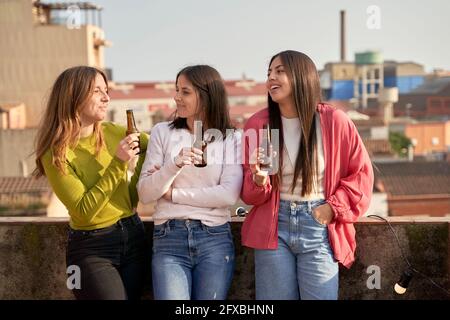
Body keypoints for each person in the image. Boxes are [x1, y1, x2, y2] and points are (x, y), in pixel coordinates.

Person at [240, 50, 374, 300]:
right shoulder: (257, 124)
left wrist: (331, 209)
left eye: (280, 71)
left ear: (302, 76)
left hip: (318, 225)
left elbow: (361, 176)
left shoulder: (335, 121)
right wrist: (258, 181)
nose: (271, 78)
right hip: (273, 225)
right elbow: (248, 194)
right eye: (269, 72)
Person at [33, 66, 149, 300]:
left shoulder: (115, 132)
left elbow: (153, 148)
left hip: (134, 235)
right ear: (73, 96)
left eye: (106, 90)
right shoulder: (55, 153)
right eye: (97, 91)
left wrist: (133, 194)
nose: (106, 98)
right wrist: (119, 163)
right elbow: (84, 212)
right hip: (91, 250)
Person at [137, 65, 242, 300]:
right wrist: (174, 164)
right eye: (176, 90)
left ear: (206, 95)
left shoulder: (232, 138)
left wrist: (173, 194)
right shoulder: (161, 132)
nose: (176, 97)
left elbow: (227, 195)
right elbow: (145, 193)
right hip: (168, 238)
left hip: (215, 238)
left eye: (185, 92)